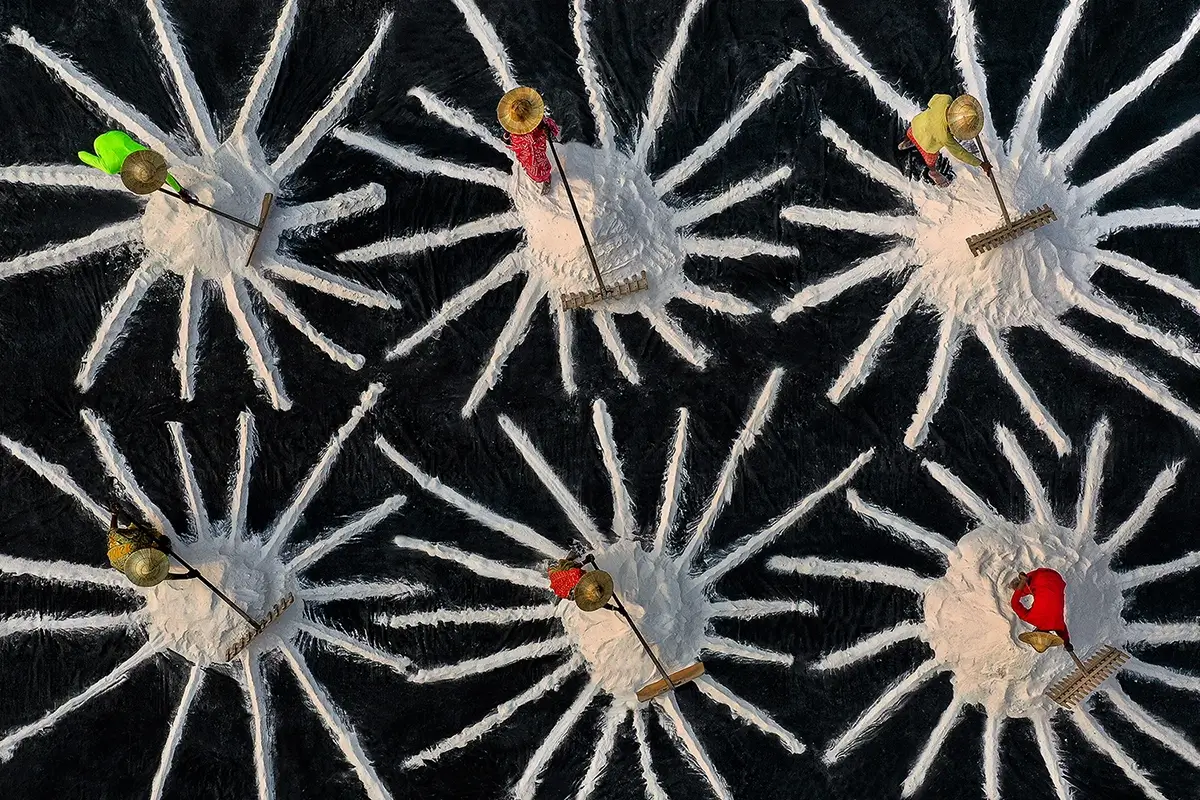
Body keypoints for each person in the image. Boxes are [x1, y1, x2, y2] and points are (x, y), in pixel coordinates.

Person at [898, 94, 991, 187]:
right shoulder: (945, 137)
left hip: (917, 124)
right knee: (931, 161)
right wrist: (981, 164)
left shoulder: (945, 99)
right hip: (927, 145)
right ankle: (933, 173)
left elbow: (932, 101)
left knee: (910, 132)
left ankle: (907, 142)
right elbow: (960, 153)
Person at [79, 130, 192, 199]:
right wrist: (181, 192)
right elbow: (86, 157)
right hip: (102, 141)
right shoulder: (111, 168)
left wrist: (78, 153)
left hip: (115, 135)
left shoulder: (144, 153)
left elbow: (83, 156)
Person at [497, 87, 559, 195]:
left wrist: (507, 137)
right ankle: (544, 177)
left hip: (534, 155)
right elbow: (553, 129)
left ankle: (546, 180)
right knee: (536, 165)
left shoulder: (516, 133)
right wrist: (548, 131)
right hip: (533, 151)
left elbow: (510, 143)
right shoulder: (542, 123)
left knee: (539, 171)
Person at [1010, 569, 1073, 654]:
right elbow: (1014, 604)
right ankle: (1020, 583)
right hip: (1039, 577)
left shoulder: (1057, 624)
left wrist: (1067, 643)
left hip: (1057, 579)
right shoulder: (1030, 618)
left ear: (1049, 634)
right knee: (1018, 589)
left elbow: (1062, 632)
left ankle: (1027, 587)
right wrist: (1022, 582)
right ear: (1035, 631)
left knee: (1041, 592)